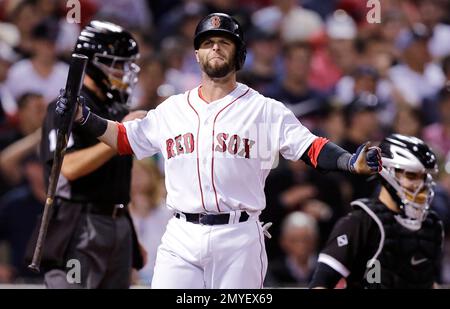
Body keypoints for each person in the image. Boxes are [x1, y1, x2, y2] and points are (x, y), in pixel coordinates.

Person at [56, 13, 382, 289]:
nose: (214, 47)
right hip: (181, 234)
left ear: (238, 55)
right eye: (207, 42)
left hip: (238, 235)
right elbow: (124, 139)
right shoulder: (172, 109)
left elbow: (310, 147)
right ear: (196, 54)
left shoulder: (264, 109)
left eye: (224, 42)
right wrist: (85, 118)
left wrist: (349, 162)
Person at [26, 20, 145, 289]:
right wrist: (120, 137)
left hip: (117, 222)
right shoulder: (68, 107)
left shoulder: (113, 107)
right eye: (118, 64)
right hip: (79, 222)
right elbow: (67, 167)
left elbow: (116, 183)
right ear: (93, 62)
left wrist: (130, 235)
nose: (124, 72)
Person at [310, 134, 444, 289]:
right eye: (411, 175)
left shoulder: (432, 225)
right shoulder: (360, 222)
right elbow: (320, 285)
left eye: (424, 177)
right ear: (387, 172)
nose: (420, 185)